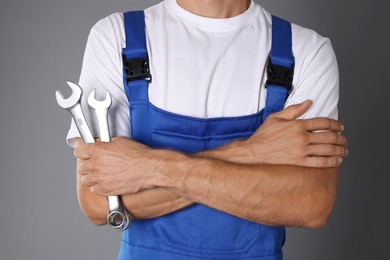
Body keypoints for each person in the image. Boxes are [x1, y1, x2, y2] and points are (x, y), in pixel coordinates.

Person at [66, 0, 348, 259]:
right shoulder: (117, 37)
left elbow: (312, 204)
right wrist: (253, 151)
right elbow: (97, 204)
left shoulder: (306, 50)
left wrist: (149, 167)